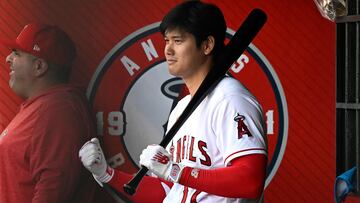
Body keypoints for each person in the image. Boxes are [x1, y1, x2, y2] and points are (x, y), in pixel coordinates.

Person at [79, 1, 268, 203]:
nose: (168, 50)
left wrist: (176, 171)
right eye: (166, 41)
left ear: (207, 45)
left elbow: (250, 181)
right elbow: (168, 190)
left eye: (177, 41)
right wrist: (106, 174)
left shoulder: (230, 98)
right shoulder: (181, 108)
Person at [0, 23, 97, 202]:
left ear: (39, 66)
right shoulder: (45, 105)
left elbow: (52, 190)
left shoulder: (59, 110)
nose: (8, 58)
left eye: (16, 53)